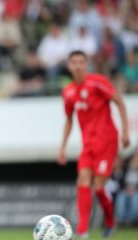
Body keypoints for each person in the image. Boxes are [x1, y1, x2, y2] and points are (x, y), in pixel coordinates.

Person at [58, 50, 130, 238]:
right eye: (75, 62)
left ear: (87, 64)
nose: (78, 65)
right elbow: (69, 120)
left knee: (98, 187)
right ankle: (83, 231)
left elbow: (119, 101)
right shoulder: (68, 91)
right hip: (88, 144)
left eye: (82, 62)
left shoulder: (97, 82)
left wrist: (125, 131)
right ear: (69, 66)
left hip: (107, 141)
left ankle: (110, 220)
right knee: (82, 180)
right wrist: (63, 148)